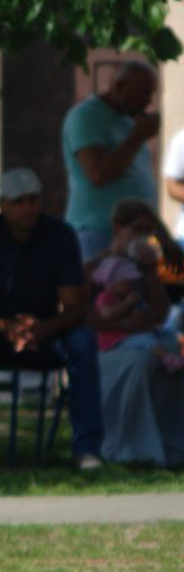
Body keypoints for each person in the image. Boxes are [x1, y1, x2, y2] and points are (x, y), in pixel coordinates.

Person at [0, 167, 104, 471]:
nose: (28, 208)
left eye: (33, 199)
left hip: (45, 334)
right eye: (19, 201)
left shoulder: (60, 235)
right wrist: (7, 328)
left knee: (83, 342)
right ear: (2, 204)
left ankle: (87, 449)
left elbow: (77, 307)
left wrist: (39, 329)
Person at [88, 199, 184, 467]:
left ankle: (171, 446)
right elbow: (86, 318)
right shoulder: (98, 267)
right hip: (108, 346)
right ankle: (135, 447)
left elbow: (159, 314)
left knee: (171, 356)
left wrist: (151, 272)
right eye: (137, 228)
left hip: (140, 340)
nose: (144, 235)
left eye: (149, 230)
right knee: (143, 363)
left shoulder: (142, 269)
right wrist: (124, 324)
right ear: (119, 228)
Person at [61, 59, 160, 261]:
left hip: (136, 235)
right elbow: (98, 174)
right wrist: (138, 136)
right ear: (120, 86)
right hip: (97, 233)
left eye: (151, 93)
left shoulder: (131, 120)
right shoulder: (87, 116)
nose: (149, 101)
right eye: (143, 92)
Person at [90, 239, 184, 371]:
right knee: (146, 340)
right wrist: (128, 303)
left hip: (133, 333)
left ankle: (172, 355)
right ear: (112, 283)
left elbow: (153, 315)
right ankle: (167, 359)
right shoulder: (105, 297)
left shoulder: (130, 294)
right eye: (127, 282)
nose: (131, 285)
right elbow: (107, 313)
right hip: (116, 340)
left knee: (167, 336)